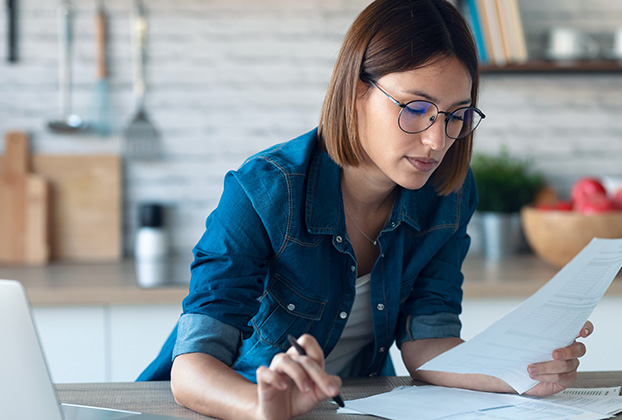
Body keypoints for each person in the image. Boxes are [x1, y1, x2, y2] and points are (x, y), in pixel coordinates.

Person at [138, 1, 593, 419]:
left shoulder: (448, 193)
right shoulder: (264, 191)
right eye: (416, 108)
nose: (438, 140)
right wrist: (262, 408)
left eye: (457, 114)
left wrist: (521, 373)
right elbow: (193, 368)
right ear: (357, 90)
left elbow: (425, 341)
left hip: (349, 408)